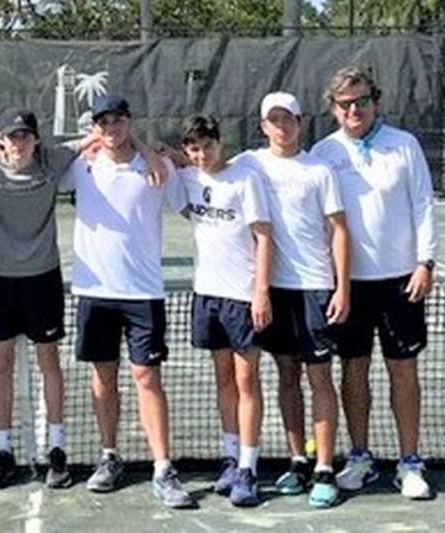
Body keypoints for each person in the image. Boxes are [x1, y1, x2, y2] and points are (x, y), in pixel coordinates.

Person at [0, 109, 164, 490]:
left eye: (25, 136)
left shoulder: (56, 159)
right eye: (11, 137)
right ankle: (4, 451)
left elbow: (108, 138)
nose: (18, 144)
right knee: (2, 362)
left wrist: (151, 151)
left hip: (43, 279)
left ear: (37, 140)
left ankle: (56, 450)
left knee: (49, 362)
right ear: (1, 140)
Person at [310, 67, 439, 500]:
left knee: (403, 371)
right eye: (345, 103)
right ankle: (360, 457)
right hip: (346, 286)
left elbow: (423, 204)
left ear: (374, 101)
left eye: (361, 101)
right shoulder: (323, 152)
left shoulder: (404, 145)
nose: (354, 110)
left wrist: (425, 262)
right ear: (333, 109)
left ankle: (409, 462)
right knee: (354, 370)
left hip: (402, 282)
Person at [61, 95, 193, 509]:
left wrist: (160, 154)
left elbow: (195, 201)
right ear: (95, 126)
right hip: (94, 291)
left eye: (119, 120)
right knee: (103, 378)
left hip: (143, 293)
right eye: (104, 121)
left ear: (129, 122)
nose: (111, 127)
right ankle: (109, 456)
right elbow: (20, 158)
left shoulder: (158, 168)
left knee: (146, 378)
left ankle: (162, 467)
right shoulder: (79, 165)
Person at [239, 92, 351, 509]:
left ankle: (325, 467)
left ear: (301, 123)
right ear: (263, 125)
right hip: (273, 290)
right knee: (286, 373)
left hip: (315, 287)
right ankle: (298, 459)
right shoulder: (249, 164)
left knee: (319, 377)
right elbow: (201, 162)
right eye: (274, 119)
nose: (281, 126)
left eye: (288, 119)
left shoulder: (320, 170)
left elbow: (339, 230)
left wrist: (342, 287)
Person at [175, 114, 273, 507]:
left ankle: (249, 466)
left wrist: (261, 293)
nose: (202, 154)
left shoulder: (245, 179)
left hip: (243, 297)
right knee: (223, 380)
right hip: (207, 295)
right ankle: (230, 458)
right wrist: (164, 153)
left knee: (247, 381)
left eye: (208, 146)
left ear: (221, 143)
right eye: (194, 148)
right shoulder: (188, 178)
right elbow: (157, 158)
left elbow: (264, 238)